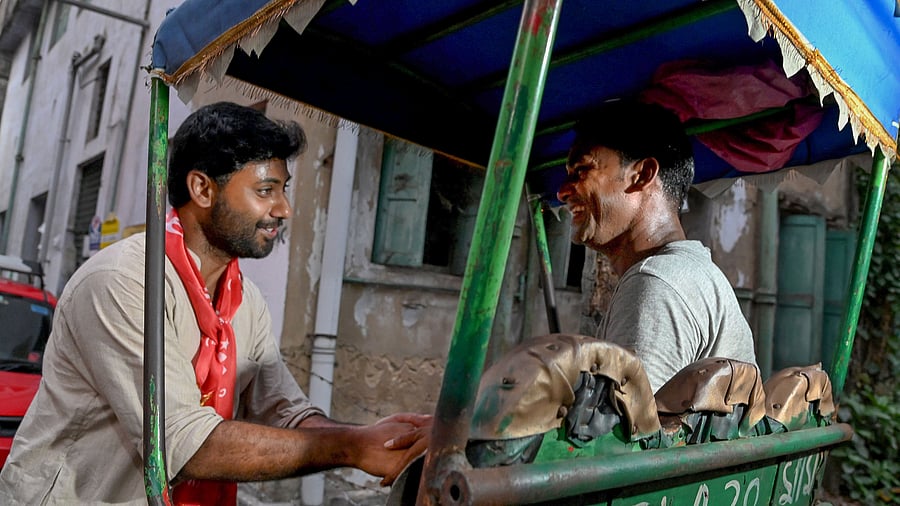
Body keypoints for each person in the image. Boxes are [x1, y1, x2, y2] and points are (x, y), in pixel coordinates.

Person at [0, 102, 431, 505]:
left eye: (284, 190)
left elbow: (284, 411)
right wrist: (352, 447)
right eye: (265, 190)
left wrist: (384, 438)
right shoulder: (125, 282)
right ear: (202, 189)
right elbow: (180, 442)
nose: (284, 209)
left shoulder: (244, 301)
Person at [556, 99, 757, 392]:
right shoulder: (685, 272)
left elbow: (626, 433)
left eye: (582, 170)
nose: (562, 191)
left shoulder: (657, 282)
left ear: (642, 174)